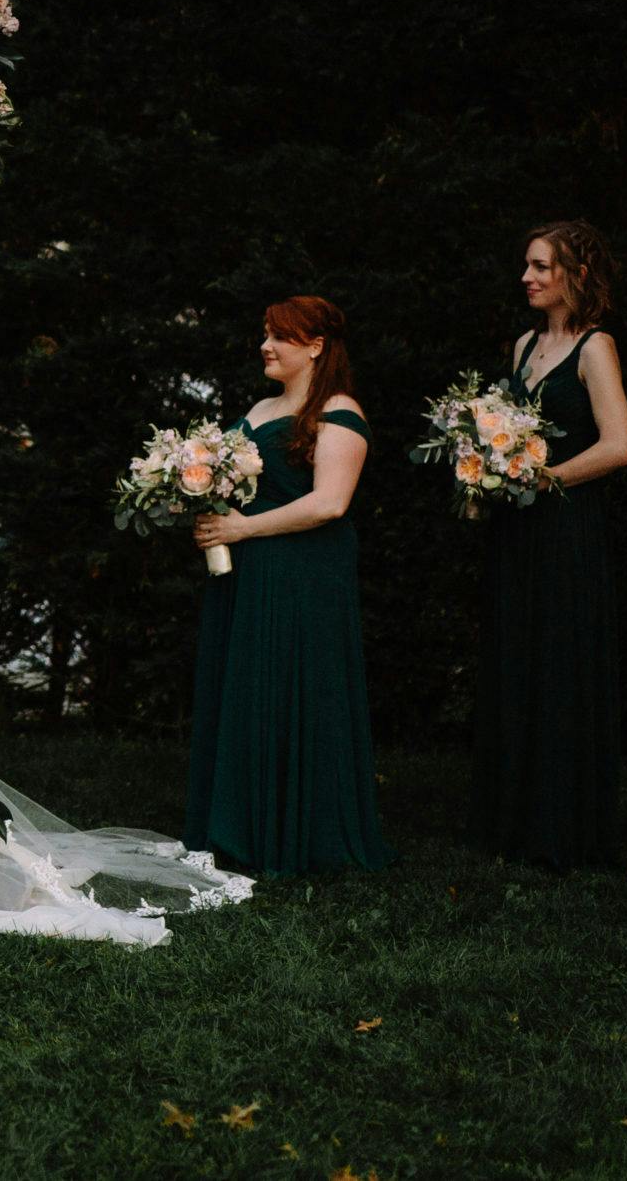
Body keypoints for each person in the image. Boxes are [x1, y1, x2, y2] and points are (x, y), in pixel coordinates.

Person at [184, 296, 392, 877]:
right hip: (246, 576)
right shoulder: (259, 406)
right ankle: (240, 827)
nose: (265, 345)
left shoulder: (339, 410)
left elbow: (330, 503)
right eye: (265, 334)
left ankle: (304, 834)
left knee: (299, 689)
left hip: (304, 575)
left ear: (316, 346)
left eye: (279, 336)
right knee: (248, 691)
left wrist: (243, 527)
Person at [473, 220, 627, 868]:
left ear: (574, 273)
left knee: (560, 662)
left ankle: (563, 828)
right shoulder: (523, 345)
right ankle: (512, 820)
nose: (527, 277)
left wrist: (541, 479)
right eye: (527, 265)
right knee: (518, 657)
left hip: (566, 527)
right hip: (518, 532)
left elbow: (619, 444)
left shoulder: (596, 347)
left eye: (540, 266)